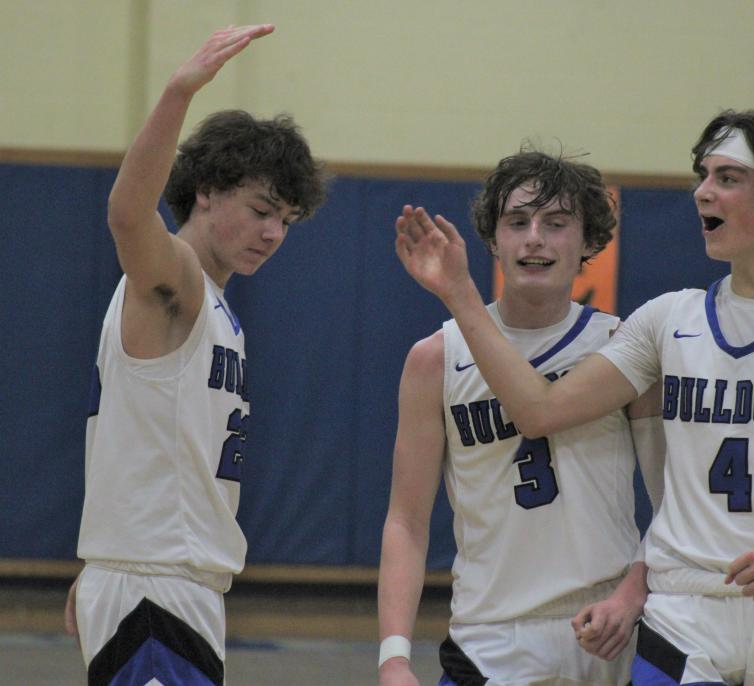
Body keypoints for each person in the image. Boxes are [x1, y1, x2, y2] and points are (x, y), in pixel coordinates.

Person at [395, 110, 754, 685]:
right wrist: (460, 294)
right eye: (702, 175)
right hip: (682, 613)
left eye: (727, 178)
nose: (702, 191)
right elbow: (539, 411)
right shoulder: (665, 322)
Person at [63, 24, 328, 685]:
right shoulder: (176, 277)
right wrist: (179, 93)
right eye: (262, 209)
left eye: (286, 220)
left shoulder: (215, 307)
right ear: (207, 190)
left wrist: (106, 559)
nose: (272, 232)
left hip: (161, 584)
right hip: (156, 593)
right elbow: (128, 212)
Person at [377, 149, 664, 686]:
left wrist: (633, 593)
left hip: (606, 631)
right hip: (489, 636)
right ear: (493, 239)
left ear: (588, 243)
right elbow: (406, 522)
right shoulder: (435, 358)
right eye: (517, 222)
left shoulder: (624, 347)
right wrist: (393, 655)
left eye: (556, 224)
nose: (535, 238)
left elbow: (676, 506)